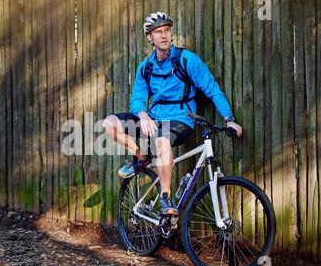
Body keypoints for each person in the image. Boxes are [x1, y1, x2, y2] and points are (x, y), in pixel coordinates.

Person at [102, 12, 242, 217]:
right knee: (109, 123)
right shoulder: (146, 67)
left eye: (167, 30)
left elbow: (212, 89)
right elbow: (137, 99)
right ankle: (141, 158)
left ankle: (166, 199)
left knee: (161, 140)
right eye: (158, 32)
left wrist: (230, 120)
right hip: (154, 120)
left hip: (181, 120)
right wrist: (142, 114)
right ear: (150, 37)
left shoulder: (187, 60)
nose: (164, 35)